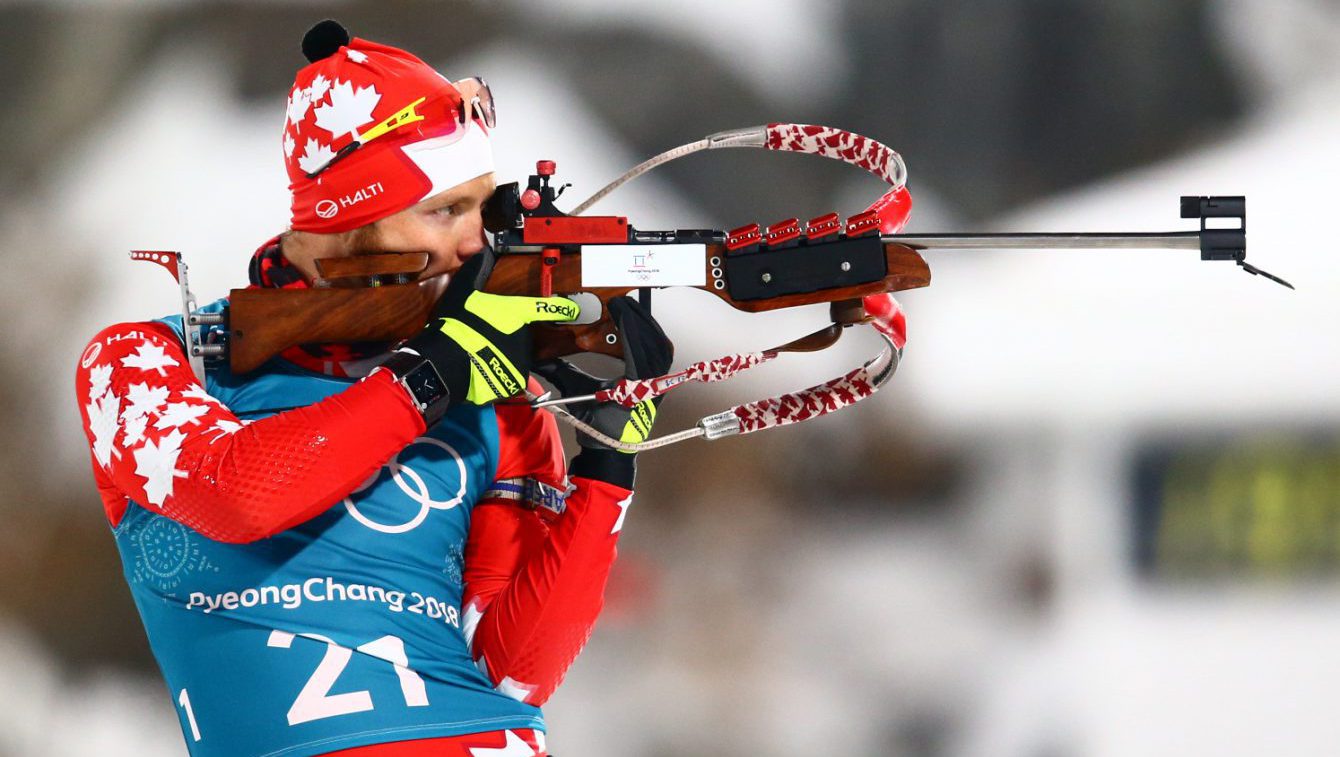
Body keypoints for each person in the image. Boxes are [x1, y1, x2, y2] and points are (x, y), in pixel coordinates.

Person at [74, 20, 669, 757]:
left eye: (483, 206)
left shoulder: (494, 395)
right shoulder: (148, 361)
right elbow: (236, 491)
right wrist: (430, 377)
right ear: (343, 223)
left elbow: (512, 674)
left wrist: (606, 471)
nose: (475, 243)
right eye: (444, 210)